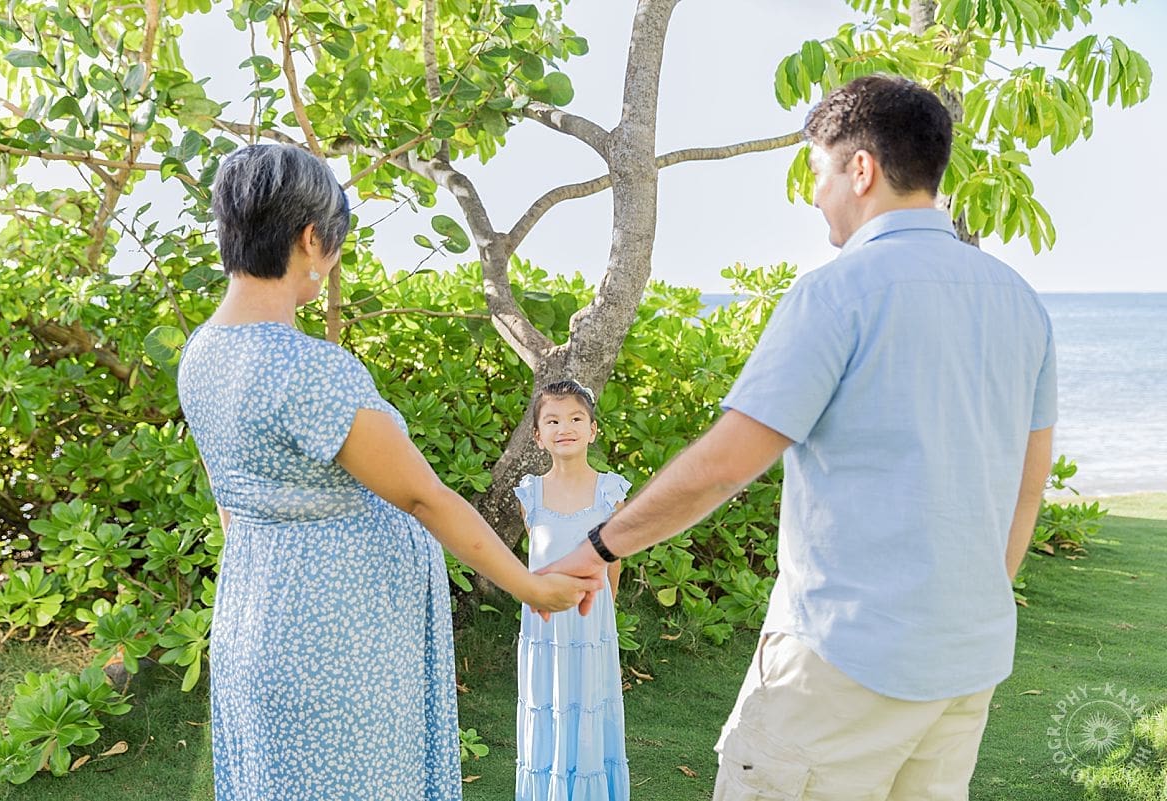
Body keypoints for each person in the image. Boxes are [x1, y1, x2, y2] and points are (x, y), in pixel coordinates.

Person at [543, 74, 1057, 801]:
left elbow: (723, 467)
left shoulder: (837, 292)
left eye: (817, 172)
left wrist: (597, 547)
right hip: (965, 663)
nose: (815, 195)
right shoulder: (1021, 303)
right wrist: (969, 605)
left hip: (838, 665)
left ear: (861, 169)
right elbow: (1026, 485)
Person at [177, 143, 599, 801]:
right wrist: (531, 586)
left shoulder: (200, 356)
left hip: (256, 616)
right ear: (312, 239)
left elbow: (233, 504)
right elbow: (425, 497)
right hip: (341, 650)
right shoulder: (312, 370)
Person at [512, 380, 631, 801]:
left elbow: (613, 561)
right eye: (553, 420)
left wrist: (606, 616)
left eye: (576, 418)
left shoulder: (610, 491)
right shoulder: (531, 494)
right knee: (550, 710)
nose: (566, 427)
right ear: (538, 435)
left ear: (593, 430)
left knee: (588, 713)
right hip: (544, 632)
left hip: (591, 626)